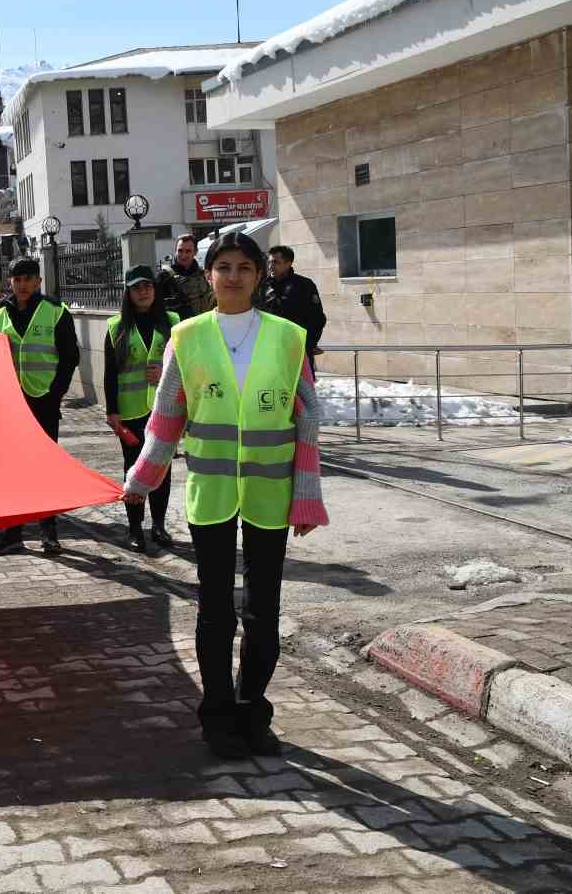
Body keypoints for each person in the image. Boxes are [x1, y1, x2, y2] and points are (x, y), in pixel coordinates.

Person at [123, 231, 326, 760]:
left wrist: (307, 494)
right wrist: (143, 478)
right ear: (208, 275)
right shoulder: (186, 337)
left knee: (263, 611)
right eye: (223, 267)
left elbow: (308, 417)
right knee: (215, 612)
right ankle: (217, 718)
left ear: (259, 276)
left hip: (271, 495)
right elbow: (167, 415)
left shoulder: (288, 337)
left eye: (244, 267)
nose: (233, 276)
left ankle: (252, 712)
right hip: (210, 495)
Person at [0, 257, 81, 557]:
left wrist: (56, 393)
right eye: (17, 279)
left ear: (39, 281)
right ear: (10, 282)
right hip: (11, 404)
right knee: (11, 469)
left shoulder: (55, 312)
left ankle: (49, 532)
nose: (23, 284)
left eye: (28, 278)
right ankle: (12, 533)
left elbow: (70, 357)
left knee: (45, 466)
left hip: (44, 402)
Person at [104, 267, 180, 553]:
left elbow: (183, 363)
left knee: (162, 467)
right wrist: (112, 411)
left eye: (148, 286)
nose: (144, 291)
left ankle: (158, 526)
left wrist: (163, 371)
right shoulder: (116, 327)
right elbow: (110, 373)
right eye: (137, 288)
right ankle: (135, 529)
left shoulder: (172, 322)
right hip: (130, 411)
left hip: (164, 408)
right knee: (134, 468)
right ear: (128, 292)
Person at [261, 246, 328, 374]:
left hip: (297, 351)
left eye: (275, 262)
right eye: (269, 262)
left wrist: (309, 344)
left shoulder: (304, 285)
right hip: (268, 351)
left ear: (288, 263)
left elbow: (317, 318)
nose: (270, 266)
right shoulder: (263, 286)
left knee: (301, 391)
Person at [157, 233, 216, 321]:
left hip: (203, 325)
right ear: (175, 251)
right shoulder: (164, 276)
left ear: (195, 252)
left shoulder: (204, 275)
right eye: (180, 251)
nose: (183, 255)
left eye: (188, 251)